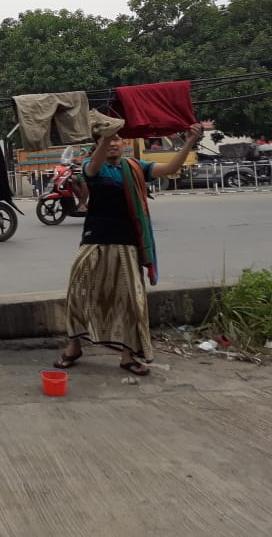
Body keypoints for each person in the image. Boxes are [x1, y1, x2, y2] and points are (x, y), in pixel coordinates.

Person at [54, 123, 203, 376]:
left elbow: (170, 168)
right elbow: (94, 166)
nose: (114, 143)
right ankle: (74, 346)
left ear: (124, 143)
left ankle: (127, 356)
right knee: (78, 294)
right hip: (95, 241)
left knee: (132, 302)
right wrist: (104, 137)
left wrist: (188, 141)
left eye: (118, 139)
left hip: (128, 243)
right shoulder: (92, 166)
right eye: (108, 139)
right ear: (99, 142)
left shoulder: (134, 166)